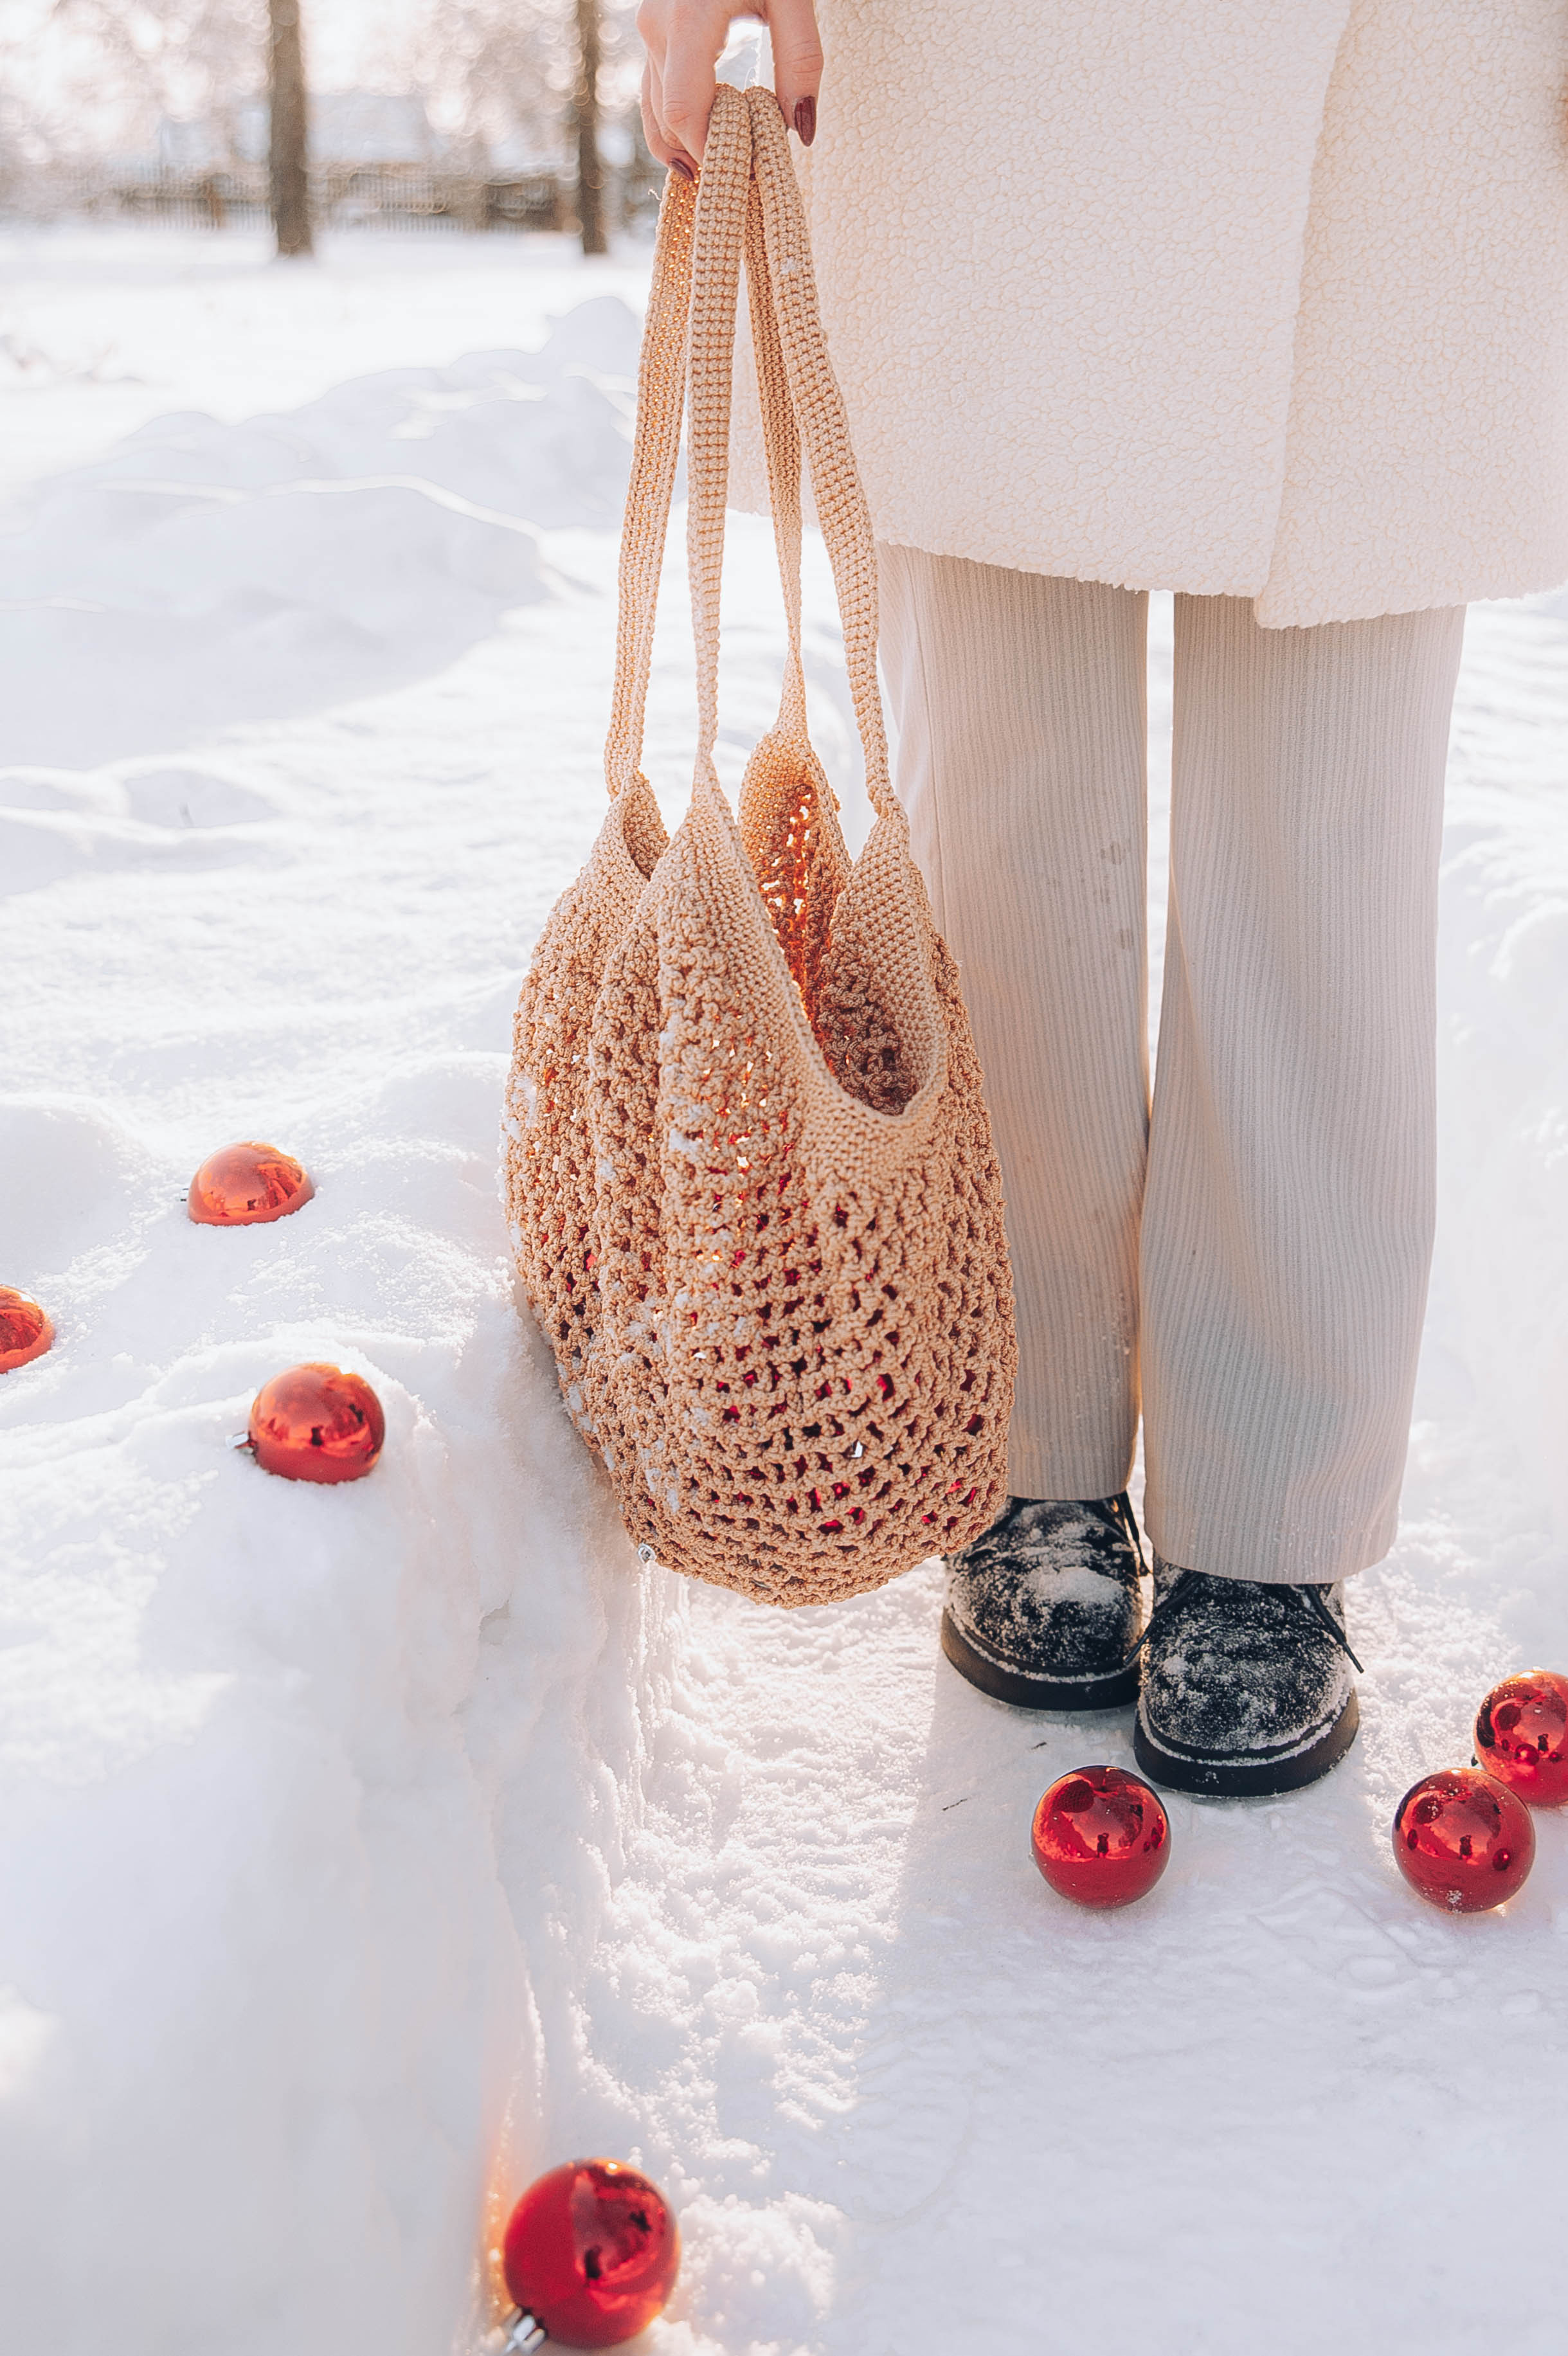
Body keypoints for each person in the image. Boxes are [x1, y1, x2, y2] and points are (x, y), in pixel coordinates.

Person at [633, 0, 1568, 1795]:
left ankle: (1271, 1509)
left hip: (1410, 80)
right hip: (998, 72)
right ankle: (1024, 1435)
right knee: (999, 791)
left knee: (1331, 816)